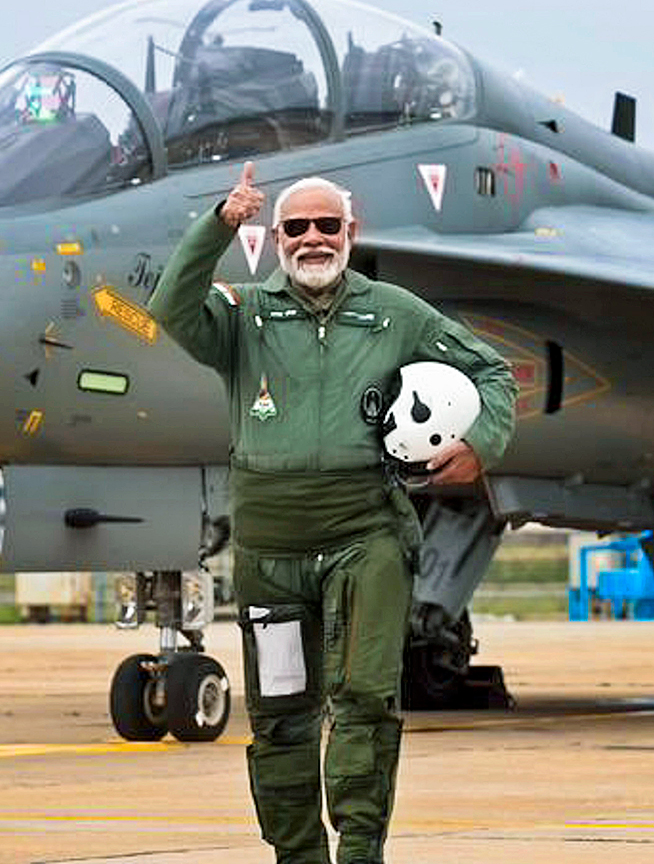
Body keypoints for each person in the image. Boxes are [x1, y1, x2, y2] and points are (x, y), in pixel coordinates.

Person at [147, 162, 516, 864]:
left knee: (364, 702)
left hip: (365, 539)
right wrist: (218, 225)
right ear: (276, 238)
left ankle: (359, 854)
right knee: (282, 714)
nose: (313, 238)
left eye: (327, 225)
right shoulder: (244, 317)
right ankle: (299, 857)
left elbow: (491, 371)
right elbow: (170, 307)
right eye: (296, 227)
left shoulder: (395, 313)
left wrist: (482, 443)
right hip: (271, 554)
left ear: (351, 232)